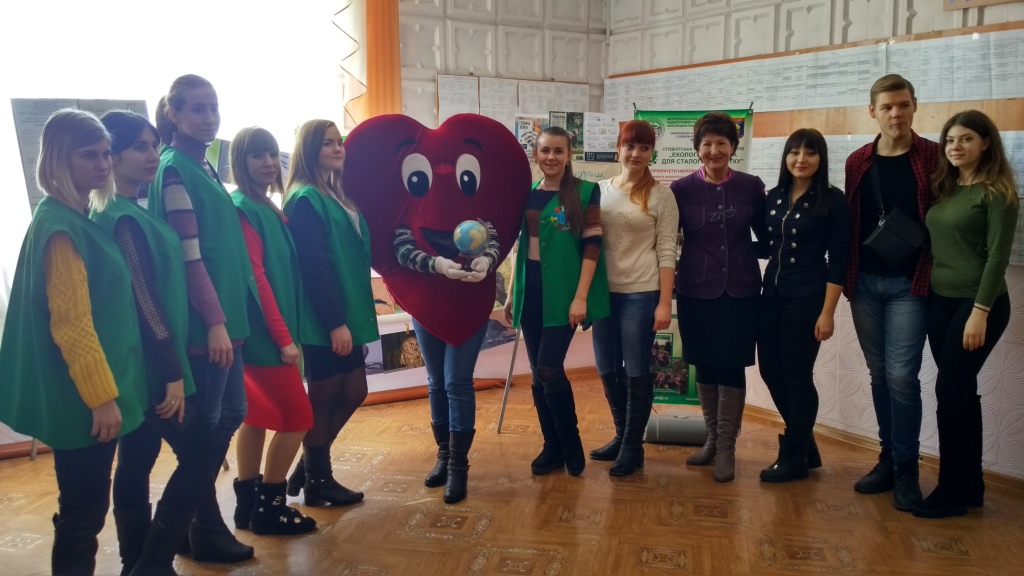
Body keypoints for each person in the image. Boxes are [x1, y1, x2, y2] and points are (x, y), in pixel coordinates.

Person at [0, 109, 148, 575]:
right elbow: (73, 324)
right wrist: (101, 398)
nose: (103, 164)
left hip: (90, 390)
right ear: (60, 159)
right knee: (83, 512)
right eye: (89, 155)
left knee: (81, 508)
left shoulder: (72, 216)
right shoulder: (61, 226)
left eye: (106, 153)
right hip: (84, 397)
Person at [92, 110, 215, 575]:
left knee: (137, 459)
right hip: (151, 367)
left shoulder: (119, 210)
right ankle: (152, 562)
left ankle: (136, 563)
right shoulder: (122, 218)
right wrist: (173, 374)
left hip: (137, 364)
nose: (151, 155)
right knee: (201, 452)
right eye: (139, 147)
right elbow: (145, 301)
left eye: (153, 145)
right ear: (113, 155)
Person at [149, 74, 257, 562]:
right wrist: (214, 322)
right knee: (205, 433)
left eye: (213, 107)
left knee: (231, 414)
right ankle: (201, 529)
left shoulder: (202, 164)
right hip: (206, 327)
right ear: (173, 114)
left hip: (227, 322)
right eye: (197, 108)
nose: (209, 117)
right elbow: (189, 256)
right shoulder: (174, 169)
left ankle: (192, 524)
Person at [912, 110, 1019, 519]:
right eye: (951, 140)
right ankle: (970, 484)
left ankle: (952, 488)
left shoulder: (997, 193)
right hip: (939, 302)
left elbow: (997, 259)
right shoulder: (947, 188)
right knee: (960, 391)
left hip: (977, 305)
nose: (956, 147)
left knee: (950, 390)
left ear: (986, 143)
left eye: (966, 139)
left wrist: (980, 312)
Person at [844, 74, 940, 511]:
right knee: (880, 373)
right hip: (865, 283)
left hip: (909, 284)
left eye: (903, 105)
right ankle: (886, 458)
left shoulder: (934, 156)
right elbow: (851, 221)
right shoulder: (858, 161)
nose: (896, 113)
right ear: (872, 112)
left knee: (903, 377)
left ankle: (906, 467)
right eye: (886, 107)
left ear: (914, 105)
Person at [503, 126, 610, 478]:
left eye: (558, 151)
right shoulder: (529, 193)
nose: (551, 157)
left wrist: (580, 297)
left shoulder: (585, 192)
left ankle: (570, 444)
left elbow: (592, 245)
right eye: (545, 150)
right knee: (539, 374)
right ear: (536, 154)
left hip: (564, 294)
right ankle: (552, 447)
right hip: (531, 291)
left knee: (549, 368)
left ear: (568, 155)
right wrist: (512, 293)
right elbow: (521, 245)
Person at [283, 119, 379, 506]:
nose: (338, 148)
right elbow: (314, 266)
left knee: (355, 391)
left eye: (339, 142)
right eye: (327, 143)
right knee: (324, 398)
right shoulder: (305, 198)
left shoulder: (334, 194)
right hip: (323, 318)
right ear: (309, 150)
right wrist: (334, 322)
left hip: (346, 311)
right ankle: (318, 480)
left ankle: (309, 467)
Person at [228, 127, 317, 534]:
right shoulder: (244, 208)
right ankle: (270, 507)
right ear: (240, 162)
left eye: (271, 154)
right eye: (256, 156)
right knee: (298, 418)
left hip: (265, 335)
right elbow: (256, 279)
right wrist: (283, 338)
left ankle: (247, 505)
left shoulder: (265, 206)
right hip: (266, 338)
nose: (267, 163)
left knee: (256, 416)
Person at [671, 111, 766, 483]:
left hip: (741, 290)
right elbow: (668, 240)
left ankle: (727, 447)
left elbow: (768, 236)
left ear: (733, 147)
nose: (714, 150)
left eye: (721, 143)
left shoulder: (750, 186)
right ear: (697, 148)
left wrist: (743, 254)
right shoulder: (681, 190)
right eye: (707, 143)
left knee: (732, 366)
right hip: (695, 289)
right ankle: (711, 439)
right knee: (705, 365)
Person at [757, 128, 851, 483]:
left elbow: (839, 260)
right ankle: (805, 444)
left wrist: (827, 313)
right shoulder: (773, 197)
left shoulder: (833, 201)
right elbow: (765, 246)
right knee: (770, 371)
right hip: (771, 296)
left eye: (810, 153)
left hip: (808, 298)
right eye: (794, 152)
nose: (801, 159)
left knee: (797, 376)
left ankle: (794, 457)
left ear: (821, 159)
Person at [590, 120, 678, 477]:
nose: (636, 154)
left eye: (644, 148)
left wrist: (664, 302)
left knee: (636, 370)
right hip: (602, 294)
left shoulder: (661, 196)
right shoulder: (599, 191)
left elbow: (668, 250)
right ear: (619, 148)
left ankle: (631, 445)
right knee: (606, 368)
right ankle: (621, 434)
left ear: (652, 153)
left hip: (641, 294)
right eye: (630, 146)